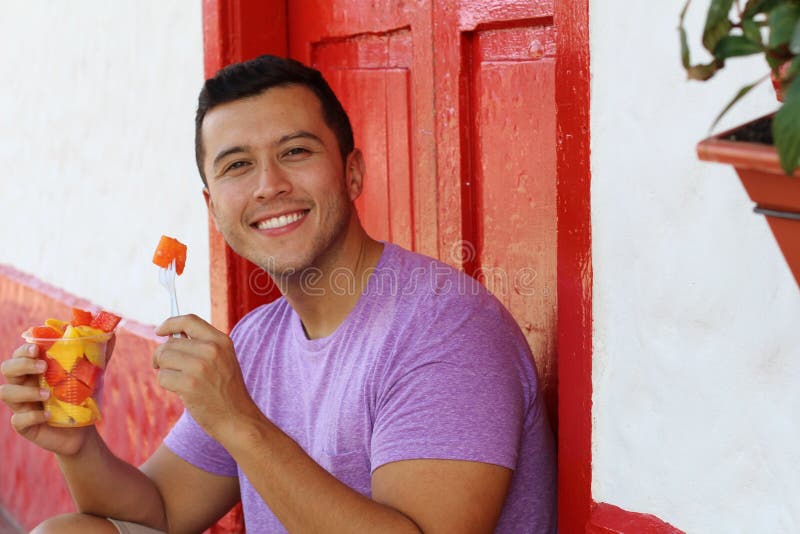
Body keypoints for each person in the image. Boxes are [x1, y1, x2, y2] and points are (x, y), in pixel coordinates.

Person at [0, 55, 556, 533]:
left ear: (353, 172)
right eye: (238, 165)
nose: (269, 184)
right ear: (213, 206)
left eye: (295, 152)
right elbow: (162, 512)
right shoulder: (258, 341)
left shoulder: (445, 326)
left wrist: (238, 419)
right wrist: (76, 444)